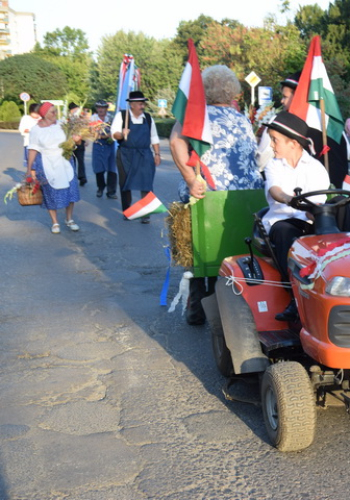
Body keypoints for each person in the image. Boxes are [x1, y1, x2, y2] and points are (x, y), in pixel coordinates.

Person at [170, 65, 264, 325]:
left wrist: (190, 179)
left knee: (196, 228)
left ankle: (197, 303)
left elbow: (175, 141)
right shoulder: (243, 119)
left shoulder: (197, 118)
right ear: (231, 90)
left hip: (211, 194)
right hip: (248, 197)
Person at [261, 112, 330, 321]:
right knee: (285, 232)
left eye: (275, 140)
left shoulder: (316, 169)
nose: (271, 145)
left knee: (341, 218)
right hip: (281, 221)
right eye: (271, 139)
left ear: (293, 143)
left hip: (308, 221)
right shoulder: (274, 165)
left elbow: (317, 205)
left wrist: (314, 209)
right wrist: (289, 199)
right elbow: (275, 190)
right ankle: (294, 296)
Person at [25, 102, 81, 233]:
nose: (55, 113)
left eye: (55, 111)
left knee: (71, 189)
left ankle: (69, 219)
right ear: (44, 114)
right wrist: (29, 169)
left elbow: (73, 140)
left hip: (65, 161)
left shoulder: (62, 125)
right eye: (52, 112)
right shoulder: (36, 129)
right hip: (47, 162)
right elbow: (33, 149)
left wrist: (76, 139)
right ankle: (55, 222)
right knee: (50, 192)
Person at [111, 91, 161, 223]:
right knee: (125, 183)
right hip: (126, 154)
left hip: (144, 153)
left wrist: (157, 154)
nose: (142, 106)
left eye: (143, 103)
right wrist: (122, 134)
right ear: (132, 105)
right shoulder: (122, 116)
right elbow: (114, 134)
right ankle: (127, 211)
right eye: (140, 104)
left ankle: (146, 213)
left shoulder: (148, 118)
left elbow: (154, 137)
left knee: (146, 183)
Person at [90, 100, 118, 199]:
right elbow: (90, 133)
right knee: (99, 168)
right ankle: (100, 187)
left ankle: (111, 192)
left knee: (112, 168)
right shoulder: (92, 119)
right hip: (98, 145)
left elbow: (117, 130)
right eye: (99, 107)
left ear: (106, 108)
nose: (101, 110)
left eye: (103, 108)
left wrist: (113, 135)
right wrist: (103, 136)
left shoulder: (111, 118)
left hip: (110, 145)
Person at [67, 102, 88, 186]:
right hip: (70, 142)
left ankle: (82, 177)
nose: (76, 111)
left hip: (80, 141)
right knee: (72, 160)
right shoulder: (67, 119)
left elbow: (85, 129)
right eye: (75, 109)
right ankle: (72, 177)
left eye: (77, 109)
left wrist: (86, 139)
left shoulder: (81, 118)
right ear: (71, 110)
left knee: (81, 160)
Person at [19, 103, 41, 169]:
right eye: (35, 113)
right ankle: (31, 177)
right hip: (29, 143)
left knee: (39, 162)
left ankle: (38, 177)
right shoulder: (26, 118)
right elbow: (22, 129)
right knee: (31, 162)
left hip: (40, 144)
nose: (37, 115)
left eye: (38, 113)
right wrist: (28, 131)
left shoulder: (41, 119)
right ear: (31, 112)